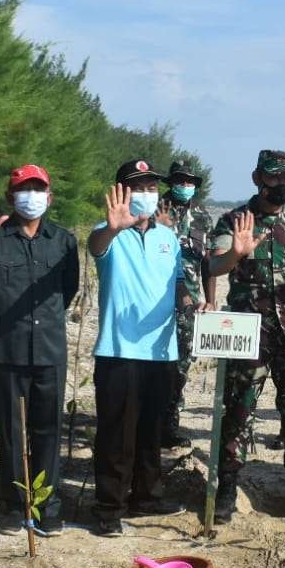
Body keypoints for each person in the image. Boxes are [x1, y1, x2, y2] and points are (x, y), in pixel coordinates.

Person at [209, 150, 285, 521]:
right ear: (257, 177)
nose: (280, 185)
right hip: (248, 332)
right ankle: (227, 487)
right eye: (273, 177)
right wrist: (236, 255)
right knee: (239, 409)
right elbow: (213, 264)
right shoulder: (235, 220)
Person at [0, 165, 80, 535]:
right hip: (5, 351)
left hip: (49, 352)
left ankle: (47, 505)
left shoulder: (63, 241)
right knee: (11, 431)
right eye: (23, 189)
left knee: (48, 430)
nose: (31, 195)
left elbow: (68, 290)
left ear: (50, 196)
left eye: (38, 188)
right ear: (11, 197)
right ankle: (14, 504)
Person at [85, 161, 186, 536]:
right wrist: (112, 228)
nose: (147, 192)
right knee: (116, 434)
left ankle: (147, 495)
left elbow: (176, 283)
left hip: (161, 351)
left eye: (151, 186)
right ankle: (109, 507)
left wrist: (195, 303)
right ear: (122, 191)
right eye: (138, 186)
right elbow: (97, 248)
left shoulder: (168, 238)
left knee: (151, 430)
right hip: (119, 350)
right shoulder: (107, 233)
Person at [159, 159, 214, 448]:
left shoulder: (203, 216)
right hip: (154, 300)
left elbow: (208, 262)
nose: (184, 186)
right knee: (153, 363)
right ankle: (149, 422)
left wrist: (210, 299)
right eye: (179, 180)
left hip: (189, 303)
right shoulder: (156, 209)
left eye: (190, 181)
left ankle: (169, 424)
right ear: (170, 182)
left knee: (181, 364)